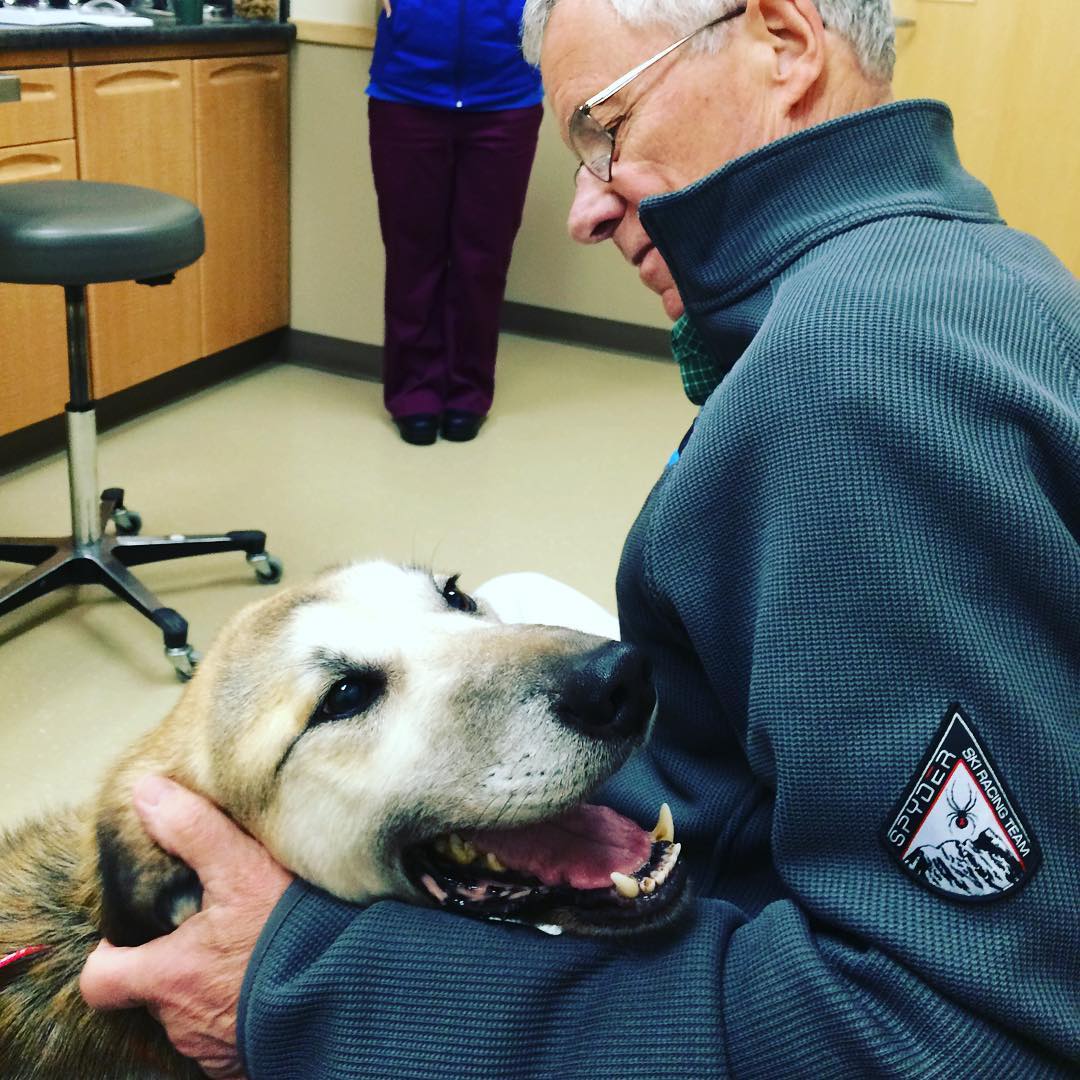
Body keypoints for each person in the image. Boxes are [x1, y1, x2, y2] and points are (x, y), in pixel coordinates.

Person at [81, 0, 1079, 1076]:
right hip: (741, 813)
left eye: (604, 131)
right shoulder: (977, 270)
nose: (584, 210)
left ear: (784, 45)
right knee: (516, 593)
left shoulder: (861, 373)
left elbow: (960, 1036)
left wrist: (313, 989)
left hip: (753, 931)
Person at [368, 0, 544, 446]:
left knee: (483, 258)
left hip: (506, 98)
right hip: (406, 94)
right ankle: (414, 395)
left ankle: (468, 392)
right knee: (412, 254)